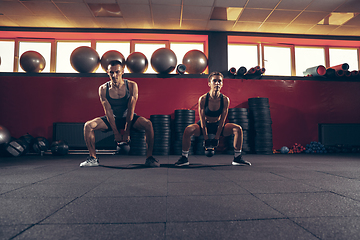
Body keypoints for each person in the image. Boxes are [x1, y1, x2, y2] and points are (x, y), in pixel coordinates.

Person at [80, 60, 159, 167]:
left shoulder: (131, 85)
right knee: (88, 126)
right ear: (107, 72)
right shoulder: (103, 89)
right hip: (112, 119)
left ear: (122, 72)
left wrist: (127, 131)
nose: (114, 75)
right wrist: (116, 132)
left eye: (117, 72)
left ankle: (149, 158)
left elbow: (131, 109)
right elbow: (108, 111)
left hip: (129, 117)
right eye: (111, 72)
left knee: (148, 124)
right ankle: (93, 158)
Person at [175, 71, 251, 166]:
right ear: (209, 83)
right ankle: (184, 158)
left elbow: (223, 120)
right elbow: (202, 120)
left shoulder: (225, 100)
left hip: (218, 125)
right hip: (204, 125)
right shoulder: (203, 99)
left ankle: (237, 158)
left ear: (222, 84)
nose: (217, 83)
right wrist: (206, 139)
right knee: (188, 130)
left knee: (237, 129)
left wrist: (216, 138)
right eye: (214, 81)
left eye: (219, 81)